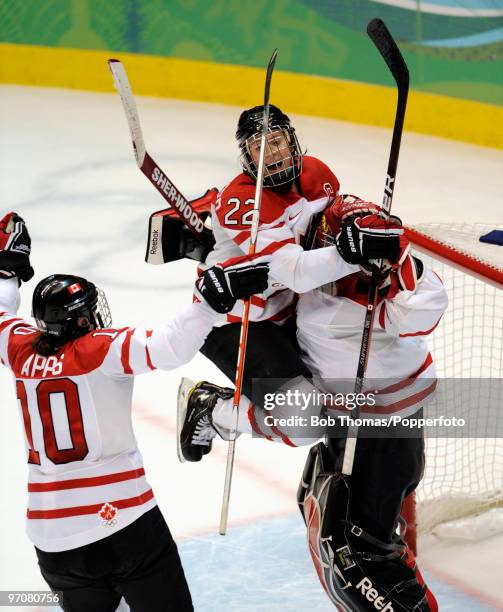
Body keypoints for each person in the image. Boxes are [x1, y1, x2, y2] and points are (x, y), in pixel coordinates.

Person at [0, 211, 269, 612]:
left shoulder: (19, 347)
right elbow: (169, 347)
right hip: (123, 524)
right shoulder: (99, 348)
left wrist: (6, 270)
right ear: (81, 319)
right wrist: (209, 304)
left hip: (52, 540)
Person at [177, 104, 402, 460]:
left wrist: (362, 223)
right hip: (237, 322)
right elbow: (295, 273)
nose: (273, 152)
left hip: (289, 312)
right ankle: (212, 408)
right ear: (247, 158)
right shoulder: (242, 203)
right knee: (303, 421)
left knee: (350, 394)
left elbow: (330, 223)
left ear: (292, 140)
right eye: (259, 147)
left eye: (278, 140)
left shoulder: (317, 174)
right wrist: (352, 254)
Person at [296, 194, 446, 610]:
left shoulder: (356, 282)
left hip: (398, 426)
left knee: (385, 509)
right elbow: (410, 321)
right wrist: (390, 277)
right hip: (369, 431)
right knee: (360, 544)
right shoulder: (320, 310)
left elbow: (429, 303)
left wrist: (396, 259)